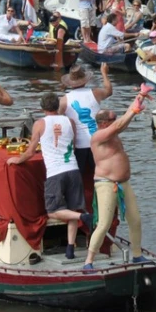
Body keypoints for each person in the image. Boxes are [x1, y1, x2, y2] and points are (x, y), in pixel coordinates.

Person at [8, 93, 93, 260]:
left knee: (53, 212)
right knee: (72, 208)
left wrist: (17, 160)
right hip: (73, 169)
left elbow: (31, 150)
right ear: (57, 106)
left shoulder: (40, 124)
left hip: (55, 172)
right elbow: (73, 144)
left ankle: (83, 217)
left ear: (42, 108)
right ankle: (70, 249)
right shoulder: (70, 122)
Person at [83, 92, 150, 270]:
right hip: (106, 183)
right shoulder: (98, 137)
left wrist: (140, 96)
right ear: (104, 123)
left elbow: (123, 122)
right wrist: (134, 111)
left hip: (123, 183)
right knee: (104, 223)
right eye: (113, 118)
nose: (116, 120)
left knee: (135, 219)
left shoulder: (113, 132)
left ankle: (136, 255)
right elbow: (121, 122)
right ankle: (89, 261)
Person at [59, 63, 112, 209]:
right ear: (85, 80)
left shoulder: (64, 100)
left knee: (79, 178)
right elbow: (109, 90)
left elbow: (57, 119)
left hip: (79, 145)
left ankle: (77, 207)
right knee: (102, 177)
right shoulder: (95, 93)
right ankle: (104, 204)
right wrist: (104, 73)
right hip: (97, 143)